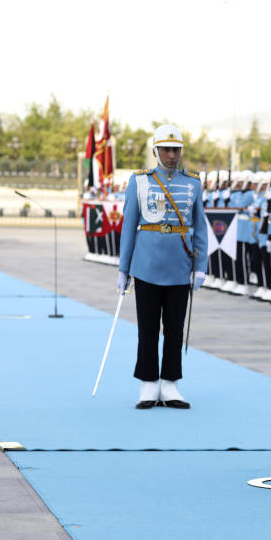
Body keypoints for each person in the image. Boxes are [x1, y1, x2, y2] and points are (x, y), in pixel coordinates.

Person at [117, 124, 208, 409]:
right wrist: (124, 268)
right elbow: (129, 226)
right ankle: (148, 383)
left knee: (174, 329)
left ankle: (170, 383)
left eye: (176, 149)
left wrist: (200, 265)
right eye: (167, 149)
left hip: (180, 265)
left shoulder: (193, 183)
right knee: (147, 328)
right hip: (146, 265)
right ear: (155, 151)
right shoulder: (139, 181)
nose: (172, 155)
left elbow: (200, 227)